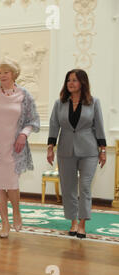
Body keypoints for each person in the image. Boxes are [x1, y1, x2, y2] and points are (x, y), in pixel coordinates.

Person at [0, 58, 40, 239]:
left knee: (11, 184)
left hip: (15, 148)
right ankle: (4, 222)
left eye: (5, 72)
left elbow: (33, 119)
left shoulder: (24, 94)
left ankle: (16, 211)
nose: (1, 75)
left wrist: (23, 134)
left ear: (14, 74)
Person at [47, 69, 106, 239]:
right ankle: (73, 222)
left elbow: (100, 126)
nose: (70, 83)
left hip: (89, 151)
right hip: (65, 150)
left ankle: (82, 224)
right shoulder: (60, 103)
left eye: (74, 80)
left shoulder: (94, 102)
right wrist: (50, 148)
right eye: (68, 80)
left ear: (83, 83)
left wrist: (102, 150)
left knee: (85, 187)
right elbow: (53, 125)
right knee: (68, 187)